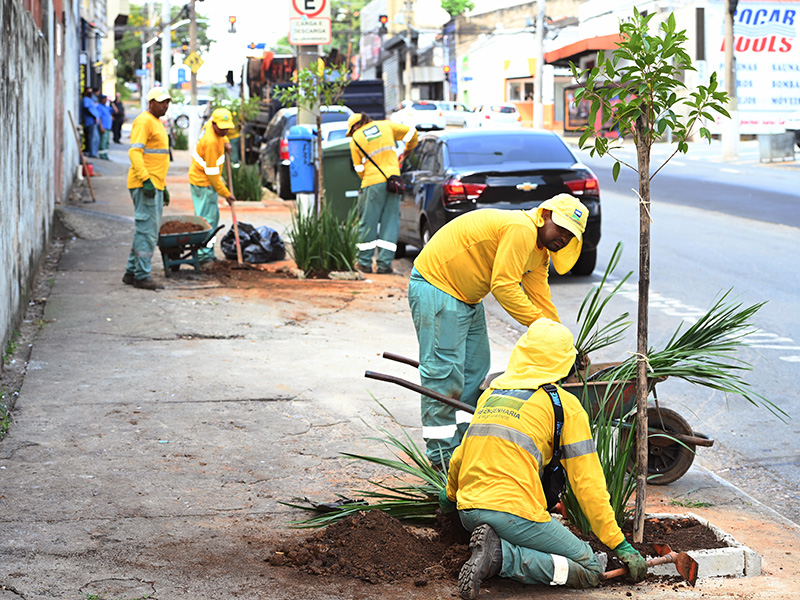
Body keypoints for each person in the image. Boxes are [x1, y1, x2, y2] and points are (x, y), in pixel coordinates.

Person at [440, 318, 648, 599]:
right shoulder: (564, 405)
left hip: (469, 512)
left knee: (525, 530)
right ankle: (501, 558)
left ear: (522, 352)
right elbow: (589, 486)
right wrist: (618, 543)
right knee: (588, 568)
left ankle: (493, 544)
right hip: (512, 514)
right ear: (564, 363)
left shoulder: (492, 394)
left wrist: (449, 496)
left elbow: (460, 457)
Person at [408, 194, 588, 469]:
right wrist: (541, 329)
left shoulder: (539, 252)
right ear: (545, 215)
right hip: (438, 287)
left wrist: (563, 343)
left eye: (570, 235)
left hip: (467, 297)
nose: (563, 237)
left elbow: (541, 300)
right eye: (561, 228)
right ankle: (441, 459)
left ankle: (463, 450)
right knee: (444, 375)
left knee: (475, 373)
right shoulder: (522, 229)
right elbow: (504, 286)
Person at [346, 112, 418, 274]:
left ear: (356, 126)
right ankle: (384, 264)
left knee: (367, 222)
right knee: (391, 222)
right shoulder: (386, 125)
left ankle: (364, 262)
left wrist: (368, 179)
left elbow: (358, 168)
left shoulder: (356, 139)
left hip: (372, 183)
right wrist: (407, 150)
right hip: (393, 182)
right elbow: (412, 133)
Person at [122, 87, 172, 291]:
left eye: (168, 102)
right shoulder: (144, 121)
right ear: (150, 102)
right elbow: (135, 153)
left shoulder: (156, 123)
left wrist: (163, 185)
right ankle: (142, 276)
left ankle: (131, 272)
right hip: (145, 184)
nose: (165, 106)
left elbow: (156, 157)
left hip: (154, 183)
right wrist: (146, 180)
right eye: (161, 102)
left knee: (145, 229)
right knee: (148, 231)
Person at [189, 108, 237, 264]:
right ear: (215, 124)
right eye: (222, 128)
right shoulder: (211, 143)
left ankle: (205, 252)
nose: (225, 131)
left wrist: (226, 143)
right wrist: (226, 194)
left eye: (227, 128)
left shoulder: (210, 125)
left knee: (210, 218)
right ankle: (204, 255)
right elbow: (213, 176)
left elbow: (222, 136)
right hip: (205, 183)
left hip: (201, 179)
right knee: (208, 220)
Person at [81, 88, 100, 157]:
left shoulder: (90, 100)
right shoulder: (85, 99)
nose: (90, 93)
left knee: (96, 138)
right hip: (90, 121)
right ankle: (92, 153)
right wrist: (93, 117)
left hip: (94, 122)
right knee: (92, 138)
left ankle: (94, 152)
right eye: (88, 91)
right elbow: (86, 109)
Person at [96, 95, 112, 160]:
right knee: (103, 141)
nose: (105, 101)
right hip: (103, 127)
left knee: (107, 142)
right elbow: (99, 118)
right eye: (104, 99)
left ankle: (105, 155)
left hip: (108, 127)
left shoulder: (106, 107)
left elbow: (116, 111)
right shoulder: (99, 107)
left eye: (106, 99)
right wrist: (101, 127)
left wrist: (112, 103)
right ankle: (102, 155)